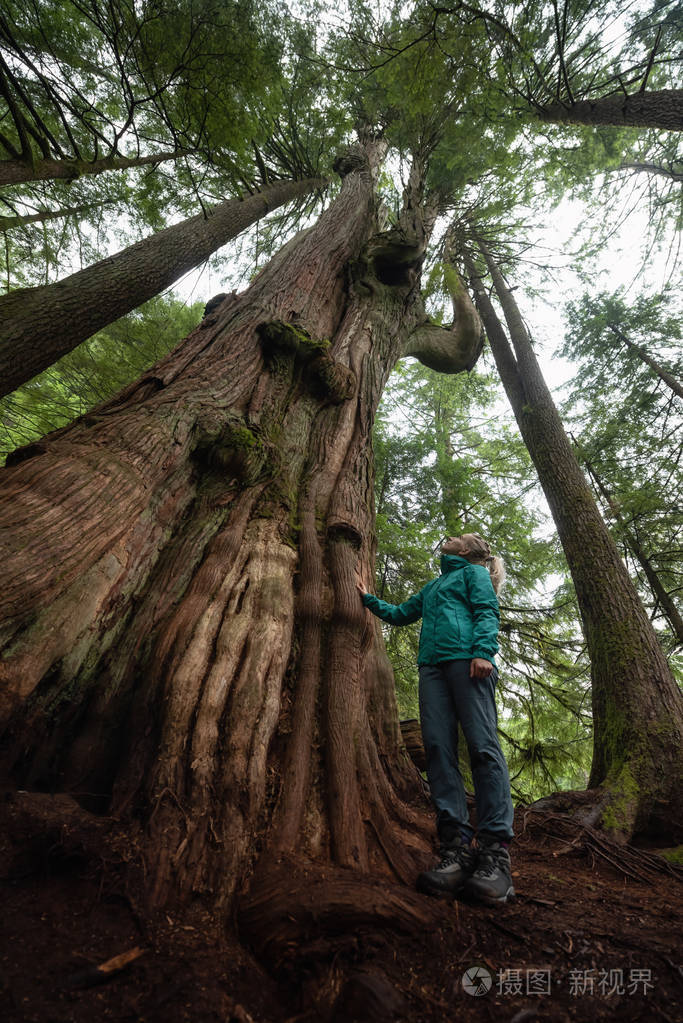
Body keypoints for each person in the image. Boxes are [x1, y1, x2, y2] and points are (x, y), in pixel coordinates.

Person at [358, 533, 515, 905]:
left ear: (467, 551)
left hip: (468, 662)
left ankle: (495, 854)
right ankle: (456, 849)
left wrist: (483, 652)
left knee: (482, 747)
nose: (451, 537)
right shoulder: (433, 586)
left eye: (460, 536)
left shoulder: (473, 573)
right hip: (432, 669)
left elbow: (487, 611)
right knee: (438, 751)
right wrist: (366, 597)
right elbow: (400, 614)